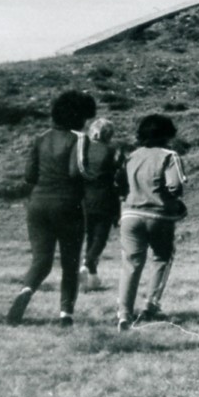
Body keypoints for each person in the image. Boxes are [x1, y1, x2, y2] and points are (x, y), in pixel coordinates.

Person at [7, 90, 97, 328]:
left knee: (41, 259)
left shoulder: (41, 137)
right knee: (69, 262)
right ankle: (65, 314)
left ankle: (25, 290)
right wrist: (94, 177)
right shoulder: (79, 138)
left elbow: (29, 175)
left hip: (37, 204)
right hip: (68, 204)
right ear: (78, 116)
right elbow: (76, 171)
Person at [117, 113, 188, 329]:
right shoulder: (169, 155)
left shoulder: (132, 155)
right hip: (158, 215)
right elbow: (175, 186)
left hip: (130, 214)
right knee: (161, 258)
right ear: (168, 134)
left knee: (131, 263)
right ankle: (150, 305)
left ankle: (124, 314)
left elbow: (121, 184)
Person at [79, 116, 124, 293]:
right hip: (105, 197)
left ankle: (92, 276)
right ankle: (88, 263)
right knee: (100, 237)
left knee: (90, 235)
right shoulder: (113, 150)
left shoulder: (84, 149)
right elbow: (119, 176)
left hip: (83, 197)